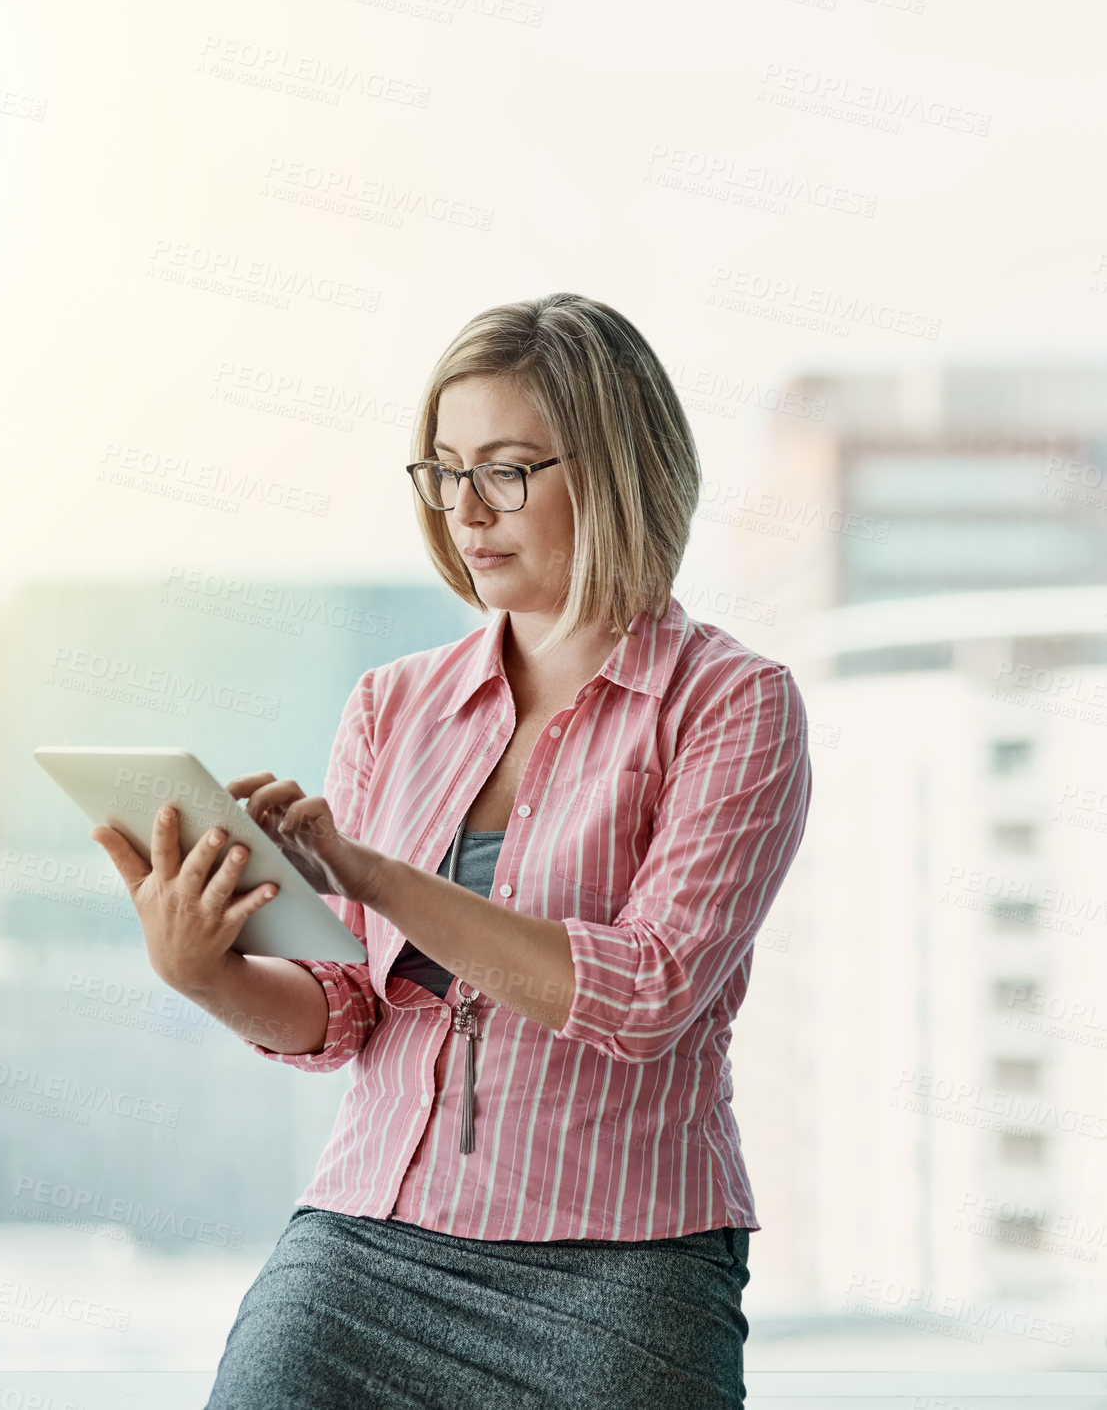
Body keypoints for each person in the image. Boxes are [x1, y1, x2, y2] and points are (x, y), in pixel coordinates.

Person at [92, 291, 813, 1409]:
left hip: (622, 1263)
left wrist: (376, 874)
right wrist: (206, 971)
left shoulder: (731, 705)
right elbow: (344, 1012)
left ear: (618, 468)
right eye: (442, 470)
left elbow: (646, 994)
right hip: (367, 1242)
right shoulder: (393, 705)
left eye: (508, 469)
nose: (466, 509)